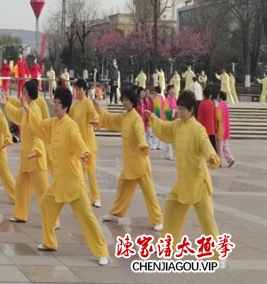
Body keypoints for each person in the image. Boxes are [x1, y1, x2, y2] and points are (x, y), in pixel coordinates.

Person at [23, 86, 110, 266]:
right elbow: (38, 126)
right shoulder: (54, 123)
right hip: (59, 181)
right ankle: (49, 242)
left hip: (73, 182)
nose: (54, 105)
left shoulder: (71, 126)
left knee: (87, 217)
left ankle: (102, 251)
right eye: (54, 102)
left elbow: (79, 143)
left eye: (57, 103)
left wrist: (85, 153)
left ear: (66, 106)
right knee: (46, 204)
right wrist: (28, 110)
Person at [146, 91, 220, 246]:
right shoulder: (177, 125)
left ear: (192, 109)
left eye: (182, 109)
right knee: (171, 206)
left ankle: (217, 254)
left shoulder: (198, 129)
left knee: (207, 220)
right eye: (178, 109)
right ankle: (167, 246)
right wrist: (152, 118)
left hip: (198, 184)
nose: (179, 112)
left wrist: (212, 157)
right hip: (182, 183)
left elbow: (206, 146)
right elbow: (165, 129)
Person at [93, 88, 163, 231]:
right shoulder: (125, 118)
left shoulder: (136, 118)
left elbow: (140, 133)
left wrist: (143, 144)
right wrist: (99, 111)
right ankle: (116, 213)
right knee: (122, 186)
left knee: (149, 193)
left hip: (140, 163)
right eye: (123, 100)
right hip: (130, 164)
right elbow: (110, 120)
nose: (124, 102)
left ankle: (158, 219)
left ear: (133, 102)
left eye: (127, 100)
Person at [0, 81, 53, 224]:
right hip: (26, 159)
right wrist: (6, 103)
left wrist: (37, 150)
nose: (22, 95)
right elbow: (17, 115)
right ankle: (20, 214)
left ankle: (53, 220)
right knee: (21, 187)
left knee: (43, 192)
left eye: (23, 92)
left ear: (28, 94)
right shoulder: (27, 108)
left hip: (34, 158)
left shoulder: (34, 110)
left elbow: (38, 132)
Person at [70, 79, 101, 208]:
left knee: (91, 174)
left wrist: (96, 121)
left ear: (85, 90)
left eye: (80, 89)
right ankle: (80, 197)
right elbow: (68, 119)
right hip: (79, 146)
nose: (78, 92)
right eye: (76, 89)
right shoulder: (75, 106)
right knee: (79, 174)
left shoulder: (88, 103)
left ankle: (96, 197)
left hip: (89, 144)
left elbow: (95, 115)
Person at [215, 91, 234, 167]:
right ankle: (230, 159)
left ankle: (219, 162)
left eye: (218, 96)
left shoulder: (219, 106)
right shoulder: (226, 105)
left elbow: (218, 118)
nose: (217, 97)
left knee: (219, 147)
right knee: (224, 146)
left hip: (221, 128)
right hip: (226, 128)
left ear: (220, 97)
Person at [163, 86, 178, 160]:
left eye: (173, 90)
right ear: (168, 91)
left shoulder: (176, 99)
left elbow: (178, 107)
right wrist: (174, 111)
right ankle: (170, 155)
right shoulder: (166, 100)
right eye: (171, 90)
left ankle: (169, 153)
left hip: (175, 121)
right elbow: (166, 111)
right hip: (169, 121)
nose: (172, 92)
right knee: (169, 139)